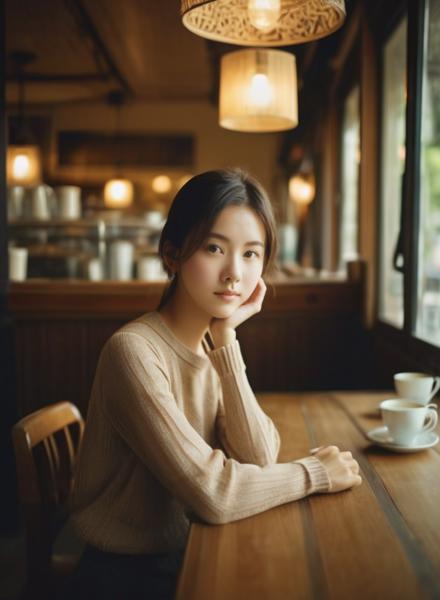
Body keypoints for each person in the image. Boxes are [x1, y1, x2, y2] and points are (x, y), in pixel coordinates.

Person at [67, 169, 361, 599]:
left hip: (183, 549)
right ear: (172, 254)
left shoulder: (208, 342)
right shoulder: (133, 351)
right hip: (125, 574)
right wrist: (314, 473)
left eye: (251, 254)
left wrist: (226, 339)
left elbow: (257, 455)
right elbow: (213, 495)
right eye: (214, 248)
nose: (233, 274)